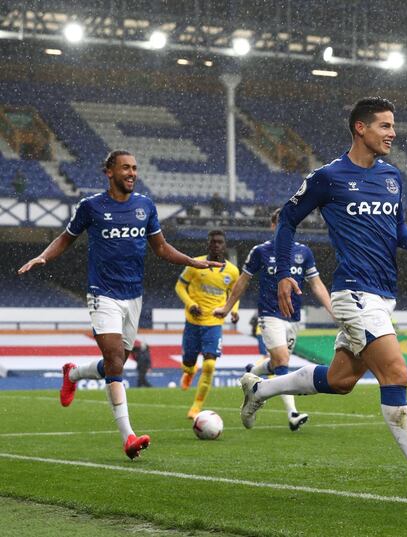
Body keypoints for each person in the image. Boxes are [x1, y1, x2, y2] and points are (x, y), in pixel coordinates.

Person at [234, 97, 407, 498]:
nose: (393, 133)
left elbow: (399, 232)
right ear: (361, 128)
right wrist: (285, 273)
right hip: (354, 293)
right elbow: (287, 220)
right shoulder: (328, 177)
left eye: (393, 126)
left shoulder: (392, 177)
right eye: (385, 126)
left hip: (383, 295)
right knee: (397, 375)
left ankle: (261, 389)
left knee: (340, 380)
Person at [17, 150, 221, 459]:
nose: (132, 173)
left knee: (116, 364)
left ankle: (73, 373)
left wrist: (194, 262)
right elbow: (66, 237)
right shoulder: (91, 207)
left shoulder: (145, 206)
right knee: (114, 360)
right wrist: (44, 256)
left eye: (135, 168)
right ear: (109, 171)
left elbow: (162, 248)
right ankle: (129, 437)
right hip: (103, 294)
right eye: (125, 167)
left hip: (133, 296)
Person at [213, 208, 332, 431]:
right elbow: (243, 280)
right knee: (283, 359)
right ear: (272, 226)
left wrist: (332, 310)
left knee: (278, 363)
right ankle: (292, 414)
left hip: (293, 317)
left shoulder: (303, 253)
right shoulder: (261, 251)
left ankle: (252, 374)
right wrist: (227, 307)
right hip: (269, 314)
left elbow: (316, 284)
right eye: (280, 224)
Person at [175, 229, 240, 419]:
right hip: (193, 322)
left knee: (210, 365)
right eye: (213, 242)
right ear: (208, 244)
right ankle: (190, 371)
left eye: (220, 242)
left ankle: (196, 407)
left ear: (224, 245)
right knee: (188, 364)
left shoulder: (232, 272)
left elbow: (234, 295)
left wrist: (233, 311)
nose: (217, 245)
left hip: (214, 322)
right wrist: (191, 304)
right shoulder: (195, 264)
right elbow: (179, 286)